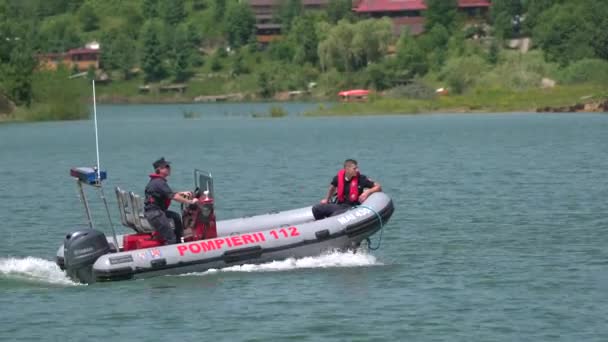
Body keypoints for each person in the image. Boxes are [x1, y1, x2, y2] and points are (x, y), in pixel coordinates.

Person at [144, 157, 198, 244]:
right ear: (160, 169)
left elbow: (169, 194)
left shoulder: (157, 181)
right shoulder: (159, 183)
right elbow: (174, 196)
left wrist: (186, 194)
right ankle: (173, 246)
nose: (169, 168)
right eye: (167, 166)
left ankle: (179, 240)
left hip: (156, 212)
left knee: (176, 217)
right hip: (155, 214)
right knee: (170, 238)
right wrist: (190, 201)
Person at [312, 159, 382, 220]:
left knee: (335, 215)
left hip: (353, 207)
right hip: (339, 205)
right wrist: (327, 199)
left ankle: (330, 225)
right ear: (347, 169)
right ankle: (322, 227)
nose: (357, 170)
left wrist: (368, 192)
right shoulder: (338, 178)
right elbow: (332, 188)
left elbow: (378, 187)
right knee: (316, 208)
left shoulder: (361, 179)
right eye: (354, 168)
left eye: (357, 168)